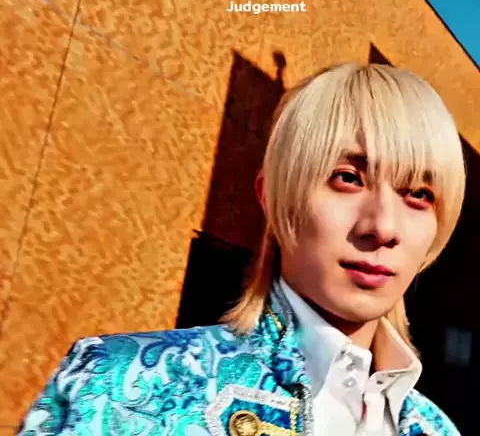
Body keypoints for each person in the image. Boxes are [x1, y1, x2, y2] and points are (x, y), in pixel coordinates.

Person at [17, 62, 465, 435]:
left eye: (419, 194)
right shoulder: (118, 385)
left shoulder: (436, 429)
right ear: (272, 196)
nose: (383, 227)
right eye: (348, 178)